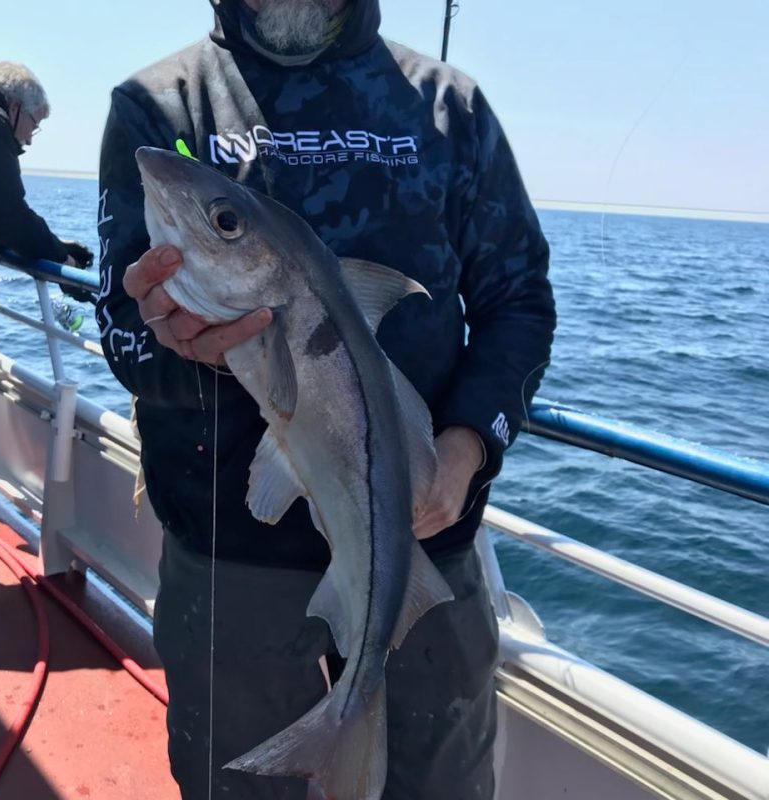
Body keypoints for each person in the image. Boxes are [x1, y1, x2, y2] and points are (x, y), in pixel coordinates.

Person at [96, 1, 556, 798]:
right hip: (233, 568)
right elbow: (122, 331)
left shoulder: (449, 107)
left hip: (422, 553)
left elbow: (519, 303)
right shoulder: (161, 105)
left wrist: (465, 450)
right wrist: (179, 345)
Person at [0, 61, 95, 526]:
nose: (28, 139)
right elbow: (7, 215)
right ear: (14, 106)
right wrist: (62, 264)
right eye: (34, 125)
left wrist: (56, 246)